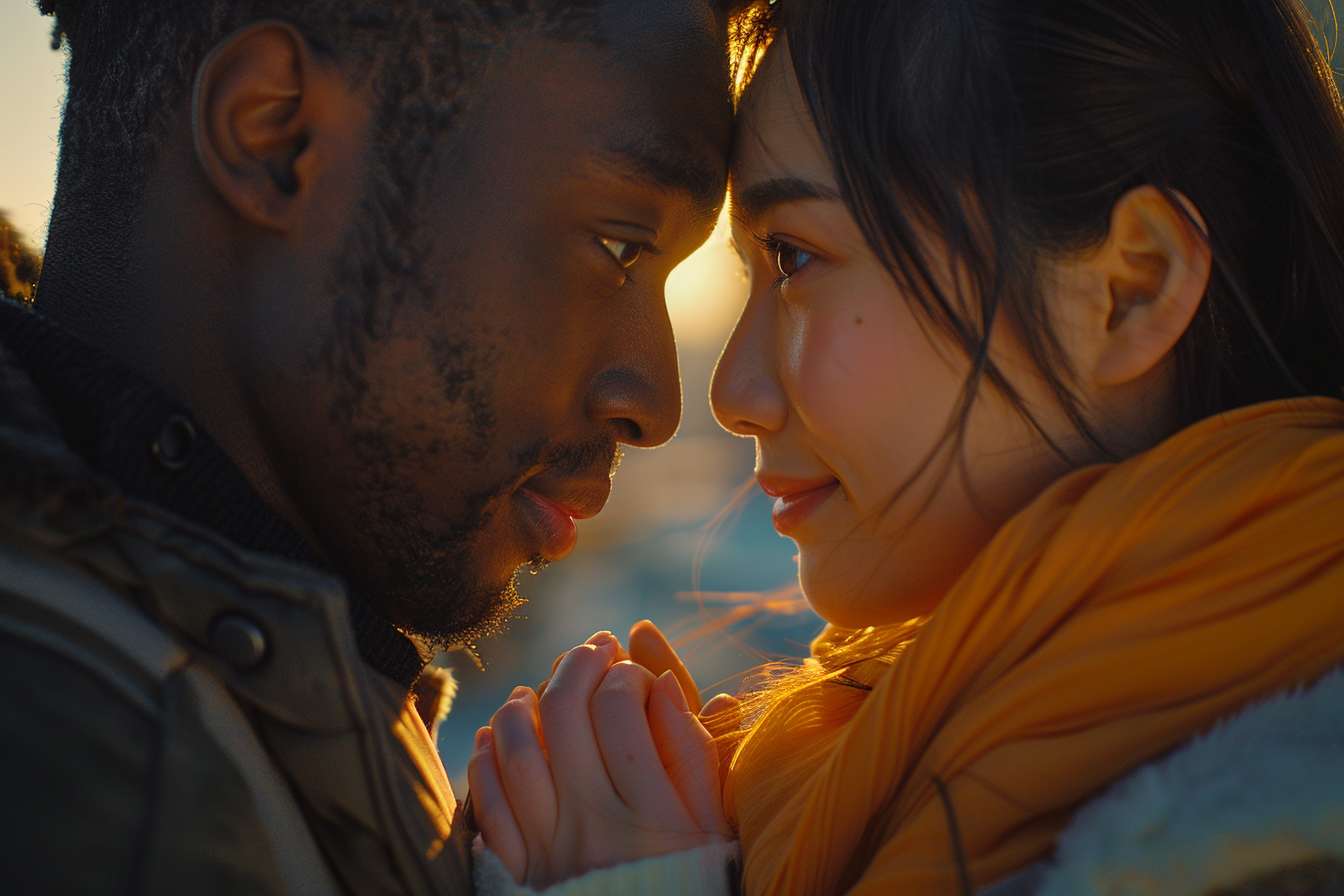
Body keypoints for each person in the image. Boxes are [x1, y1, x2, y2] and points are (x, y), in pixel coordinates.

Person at [469, 0, 1344, 893]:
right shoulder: (878, 761)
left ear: (1130, 288)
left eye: (796, 259)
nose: (734, 394)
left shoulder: (1286, 833)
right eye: (750, 274)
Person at [0, 0, 734, 892]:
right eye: (619, 244)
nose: (655, 400)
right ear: (274, 134)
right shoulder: (103, 791)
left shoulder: (251, 691)